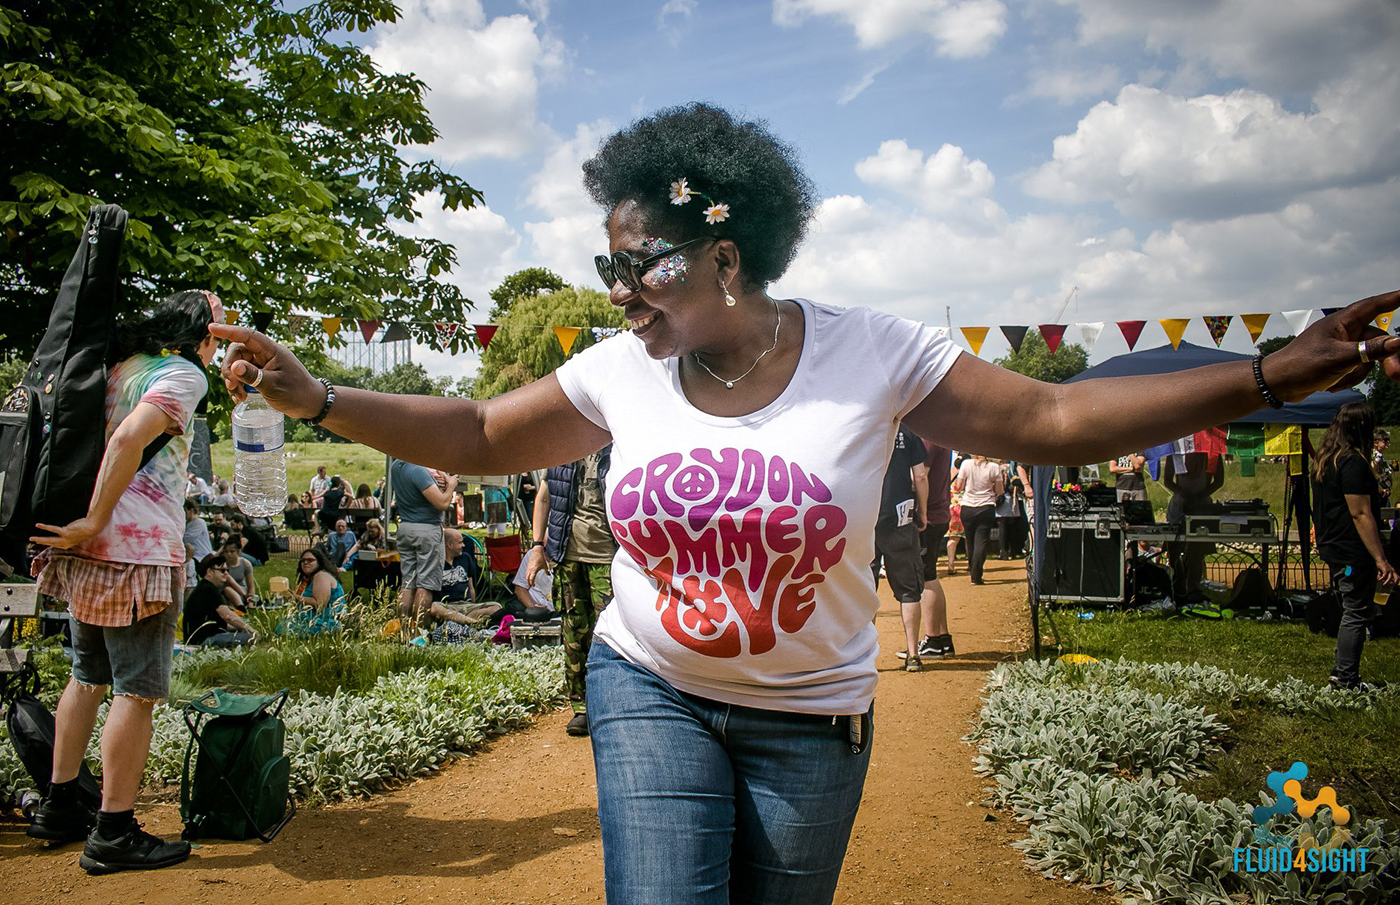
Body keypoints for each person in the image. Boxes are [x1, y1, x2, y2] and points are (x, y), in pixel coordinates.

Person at [214, 102, 1400, 905]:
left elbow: (1045, 421)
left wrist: (1261, 375)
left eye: (642, 263)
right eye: (606, 265)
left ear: (726, 257)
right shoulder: (621, 369)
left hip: (811, 719)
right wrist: (318, 395)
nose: (620, 289)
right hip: (650, 686)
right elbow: (476, 433)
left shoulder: (873, 353)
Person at [28, 289, 224, 873]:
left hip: (86, 550)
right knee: (136, 691)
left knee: (86, 677)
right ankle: (114, 831)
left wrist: (86, 524)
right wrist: (97, 519)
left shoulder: (121, 367)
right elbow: (128, 438)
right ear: (203, 335)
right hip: (136, 554)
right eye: (222, 328)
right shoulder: (185, 374)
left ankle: (61, 804)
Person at [526, 448, 617, 736]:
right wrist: (537, 546)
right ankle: (581, 708)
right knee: (574, 633)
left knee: (613, 635)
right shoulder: (563, 448)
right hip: (568, 555)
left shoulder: (617, 445)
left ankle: (616, 705)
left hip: (610, 557)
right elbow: (544, 496)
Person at [1313, 403, 1395, 691]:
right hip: (1351, 547)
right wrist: (1380, 558)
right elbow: (1361, 513)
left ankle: (1344, 674)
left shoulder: (1326, 460)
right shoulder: (1352, 462)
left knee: (1355, 608)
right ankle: (1345, 677)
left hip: (1333, 544)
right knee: (1357, 610)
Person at [871, 425, 928, 671]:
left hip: (867, 518)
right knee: (908, 590)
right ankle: (913, 654)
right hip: (901, 518)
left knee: (864, 587)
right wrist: (922, 511)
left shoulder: (866, 425)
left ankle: (863, 656)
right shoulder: (909, 432)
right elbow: (921, 476)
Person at [899, 438, 956, 662]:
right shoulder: (938, 437)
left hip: (928, 515)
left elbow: (919, 477)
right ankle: (940, 639)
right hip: (937, 512)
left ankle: (934, 639)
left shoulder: (928, 439)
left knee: (925, 577)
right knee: (930, 574)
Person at [391, 458, 457, 638]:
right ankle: (419, 634)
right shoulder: (418, 470)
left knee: (407, 583)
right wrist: (451, 485)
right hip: (427, 529)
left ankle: (405, 633)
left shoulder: (396, 465)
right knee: (425, 584)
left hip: (405, 528)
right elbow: (442, 503)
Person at [1162, 451, 1225, 599]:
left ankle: (1192, 588)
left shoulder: (1212, 451)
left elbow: (1219, 480)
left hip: (1201, 506)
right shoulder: (1175, 450)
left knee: (1198, 549)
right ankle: (1177, 585)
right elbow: (1167, 480)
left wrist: (1200, 496)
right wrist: (1182, 493)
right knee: (1174, 548)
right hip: (1179, 506)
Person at [184, 554, 256, 647]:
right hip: (202, 640)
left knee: (243, 633)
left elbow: (223, 625)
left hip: (200, 638)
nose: (226, 573)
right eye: (222, 570)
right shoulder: (208, 589)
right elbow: (228, 616)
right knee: (251, 637)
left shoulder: (205, 588)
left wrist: (240, 627)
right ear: (210, 572)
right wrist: (250, 629)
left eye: (227, 570)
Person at [952, 454, 1004, 585]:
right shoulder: (994, 467)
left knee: (970, 541)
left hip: (968, 506)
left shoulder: (966, 464)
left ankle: (973, 573)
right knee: (981, 541)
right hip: (986, 506)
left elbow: (959, 486)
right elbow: (999, 490)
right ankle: (977, 574)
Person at [280, 548, 346, 637]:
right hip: (316, 618)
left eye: (310, 560)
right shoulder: (309, 578)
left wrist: (295, 597)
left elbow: (320, 604)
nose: (305, 562)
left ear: (319, 562)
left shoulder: (321, 576)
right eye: (303, 560)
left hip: (326, 621)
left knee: (285, 628)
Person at [220, 536, 257, 607]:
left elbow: (251, 586)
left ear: (239, 551)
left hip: (241, 591)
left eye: (232, 551)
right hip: (224, 592)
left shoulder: (245, 564)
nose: (229, 554)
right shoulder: (222, 565)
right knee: (226, 591)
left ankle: (239, 607)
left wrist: (251, 601)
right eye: (226, 552)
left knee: (228, 591)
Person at [1372, 429, 1393, 504]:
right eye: (1385, 440)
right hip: (1380, 494)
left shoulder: (1379, 456)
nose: (1387, 442)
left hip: (1384, 493)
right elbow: (1372, 472)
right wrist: (1379, 489)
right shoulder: (1375, 456)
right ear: (1376, 442)